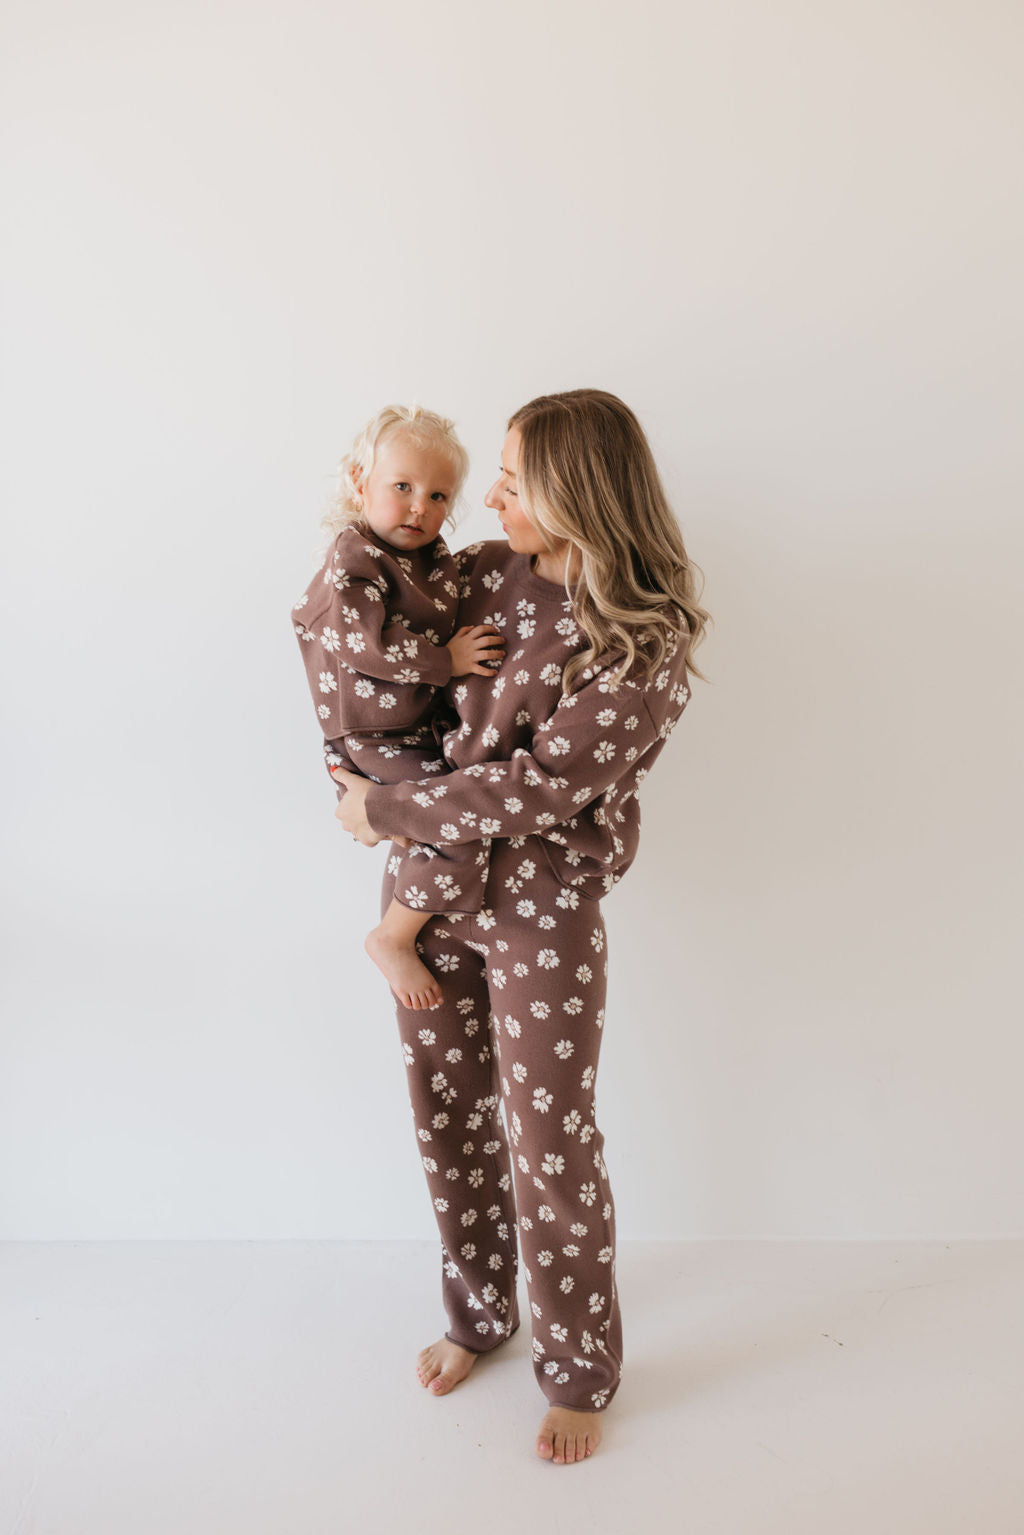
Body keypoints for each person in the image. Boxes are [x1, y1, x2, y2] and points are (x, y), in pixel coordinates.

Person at [332, 389, 710, 1465]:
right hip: (429, 884)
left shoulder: (646, 636)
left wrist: (383, 808)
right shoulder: (484, 568)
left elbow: (543, 787)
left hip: (541, 903)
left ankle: (580, 1364)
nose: (488, 492)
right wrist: (349, 757)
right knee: (447, 1116)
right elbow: (379, 642)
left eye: (512, 471)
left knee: (549, 1142)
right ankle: (476, 1315)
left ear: (577, 490)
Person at [291, 405, 504, 1009]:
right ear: (361, 483)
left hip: (408, 729)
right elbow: (366, 645)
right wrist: (448, 661)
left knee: (438, 824)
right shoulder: (353, 556)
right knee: (455, 827)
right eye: (402, 487)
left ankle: (411, 910)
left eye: (438, 495)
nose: (420, 507)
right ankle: (392, 937)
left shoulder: (430, 559)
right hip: (373, 731)